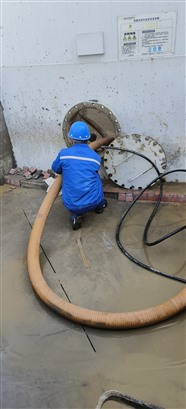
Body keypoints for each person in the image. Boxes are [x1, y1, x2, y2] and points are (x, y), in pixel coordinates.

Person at [51, 121, 107, 230]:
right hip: (93, 202)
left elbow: (55, 169)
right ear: (88, 138)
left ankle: (76, 216)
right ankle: (100, 206)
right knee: (96, 178)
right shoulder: (95, 158)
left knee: (71, 182)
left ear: (71, 139)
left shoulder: (63, 154)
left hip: (71, 205)